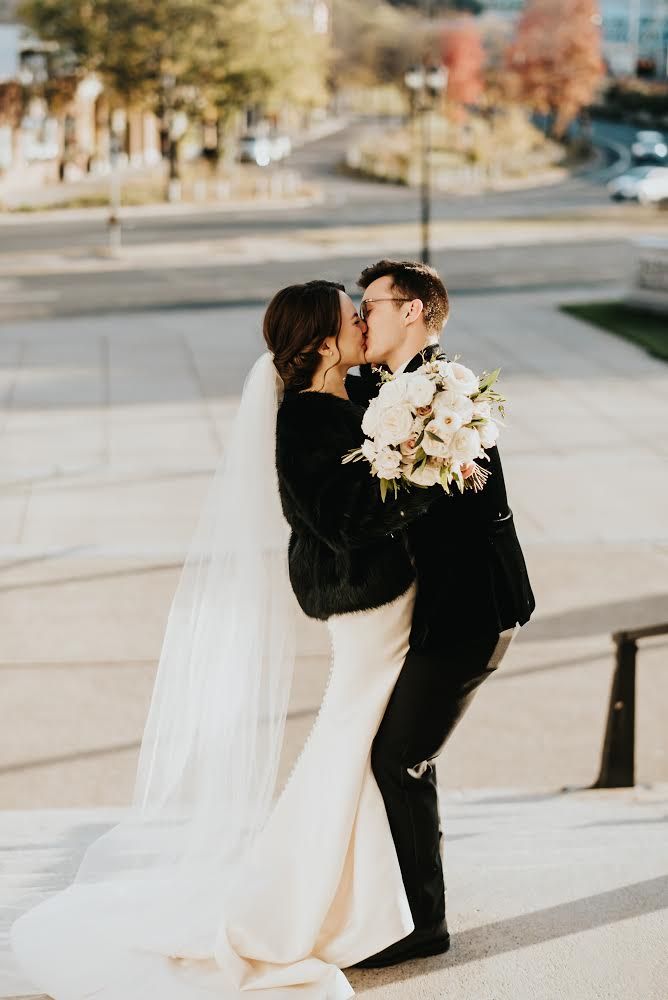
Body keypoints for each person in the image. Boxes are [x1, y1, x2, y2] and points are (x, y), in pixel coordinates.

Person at [10, 280, 439, 1000]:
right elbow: (340, 519)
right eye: (352, 317)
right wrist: (425, 474)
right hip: (366, 608)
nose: (365, 322)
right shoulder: (302, 420)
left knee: (367, 747)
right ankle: (283, 905)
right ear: (326, 342)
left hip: (387, 600)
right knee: (349, 739)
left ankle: (352, 902)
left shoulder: (351, 397)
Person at [346, 259, 535, 969]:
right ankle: (400, 906)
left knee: (400, 758)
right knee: (398, 756)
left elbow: (468, 507)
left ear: (417, 311)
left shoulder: (445, 394)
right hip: (439, 615)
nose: (364, 318)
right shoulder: (396, 390)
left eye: (373, 305)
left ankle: (423, 924)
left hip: (470, 615)